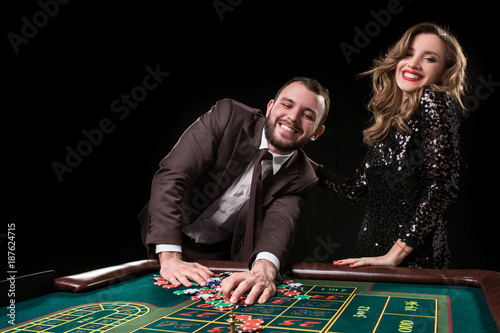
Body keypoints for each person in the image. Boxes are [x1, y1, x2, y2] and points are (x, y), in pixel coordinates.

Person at [139, 77, 329, 304]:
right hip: (166, 236)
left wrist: (265, 269)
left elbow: (279, 226)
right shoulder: (228, 116)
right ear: (270, 108)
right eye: (287, 105)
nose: (293, 117)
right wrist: (170, 257)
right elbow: (172, 176)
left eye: (307, 115)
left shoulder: (303, 177)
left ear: (317, 132)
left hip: (222, 257)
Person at [313, 22, 467, 269]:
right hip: (372, 258)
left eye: (429, 59)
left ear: (444, 72)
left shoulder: (434, 101)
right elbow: (355, 189)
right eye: (408, 53)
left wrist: (394, 256)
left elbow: (442, 187)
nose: (413, 64)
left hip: (413, 264)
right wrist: (307, 165)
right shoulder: (392, 122)